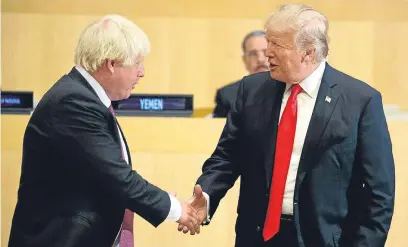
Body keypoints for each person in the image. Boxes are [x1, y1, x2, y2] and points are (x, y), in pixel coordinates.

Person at [180, 4, 395, 247]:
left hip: (325, 239)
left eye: (277, 45)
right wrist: (207, 196)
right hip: (257, 237)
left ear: (308, 53)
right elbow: (227, 156)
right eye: (268, 41)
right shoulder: (250, 90)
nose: (266, 54)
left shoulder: (359, 100)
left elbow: (379, 193)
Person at [8, 15, 201, 247]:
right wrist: (176, 209)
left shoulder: (85, 98)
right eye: (137, 63)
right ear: (111, 63)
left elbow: (100, 177)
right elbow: (117, 177)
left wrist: (160, 200)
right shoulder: (73, 102)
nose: (142, 72)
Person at [212, 30, 269, 118]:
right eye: (253, 54)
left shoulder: (291, 90)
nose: (260, 59)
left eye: (266, 52)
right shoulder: (228, 95)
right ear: (244, 60)